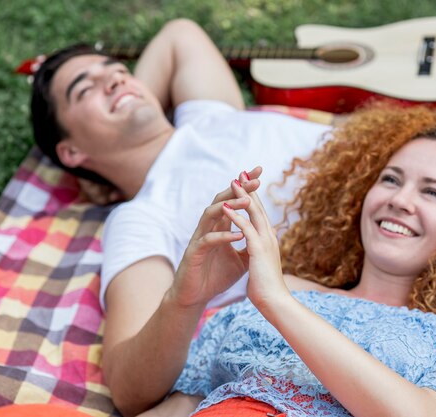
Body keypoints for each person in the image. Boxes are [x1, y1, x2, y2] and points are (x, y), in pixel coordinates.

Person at [142, 105, 436, 417]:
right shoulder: (285, 289)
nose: (400, 200)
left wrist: (277, 303)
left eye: (432, 193)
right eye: (390, 179)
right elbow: (182, 403)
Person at [29, 19, 332, 415]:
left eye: (119, 72)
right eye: (85, 89)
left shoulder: (205, 114)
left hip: (398, 156)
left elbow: (180, 34)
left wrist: (123, 98)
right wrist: (184, 301)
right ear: (71, 153)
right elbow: (128, 386)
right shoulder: (141, 216)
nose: (116, 81)